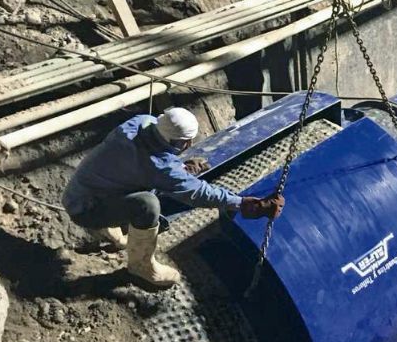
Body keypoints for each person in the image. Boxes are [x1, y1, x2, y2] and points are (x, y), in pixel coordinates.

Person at [62, 108, 284, 287]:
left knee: (138, 188)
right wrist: (241, 203)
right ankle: (141, 266)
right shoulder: (158, 168)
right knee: (147, 204)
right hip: (86, 209)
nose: (189, 146)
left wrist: (178, 167)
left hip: (82, 189)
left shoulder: (140, 123)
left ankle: (112, 232)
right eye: (187, 142)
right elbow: (197, 192)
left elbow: (148, 164)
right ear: (179, 143)